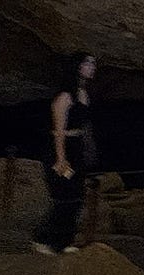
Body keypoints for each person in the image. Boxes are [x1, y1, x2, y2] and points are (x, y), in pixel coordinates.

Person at [32, 53, 98, 254]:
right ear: (77, 67)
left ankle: (62, 241)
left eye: (93, 63)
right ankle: (44, 239)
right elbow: (59, 130)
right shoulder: (64, 97)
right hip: (61, 148)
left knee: (77, 197)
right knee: (63, 198)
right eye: (87, 63)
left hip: (76, 147)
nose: (92, 67)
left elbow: (85, 125)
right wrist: (61, 158)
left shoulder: (83, 94)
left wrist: (89, 151)